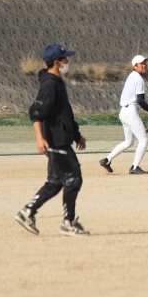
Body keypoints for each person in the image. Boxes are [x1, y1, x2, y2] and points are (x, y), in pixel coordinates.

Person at [15, 44, 89, 236]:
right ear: (57, 62)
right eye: (65, 59)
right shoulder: (49, 84)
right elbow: (36, 112)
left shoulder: (57, 82)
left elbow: (65, 114)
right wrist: (40, 138)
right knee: (73, 179)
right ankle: (68, 222)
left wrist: (76, 135)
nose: (68, 61)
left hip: (61, 138)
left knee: (55, 182)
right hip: (55, 141)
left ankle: (27, 212)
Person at [99, 55, 148, 175]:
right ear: (135, 66)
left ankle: (107, 160)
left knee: (129, 141)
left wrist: (139, 121)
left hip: (124, 112)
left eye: (145, 63)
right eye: (141, 63)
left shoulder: (131, 76)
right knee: (144, 140)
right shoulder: (138, 79)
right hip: (130, 112)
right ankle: (135, 167)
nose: (144, 65)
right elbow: (140, 101)